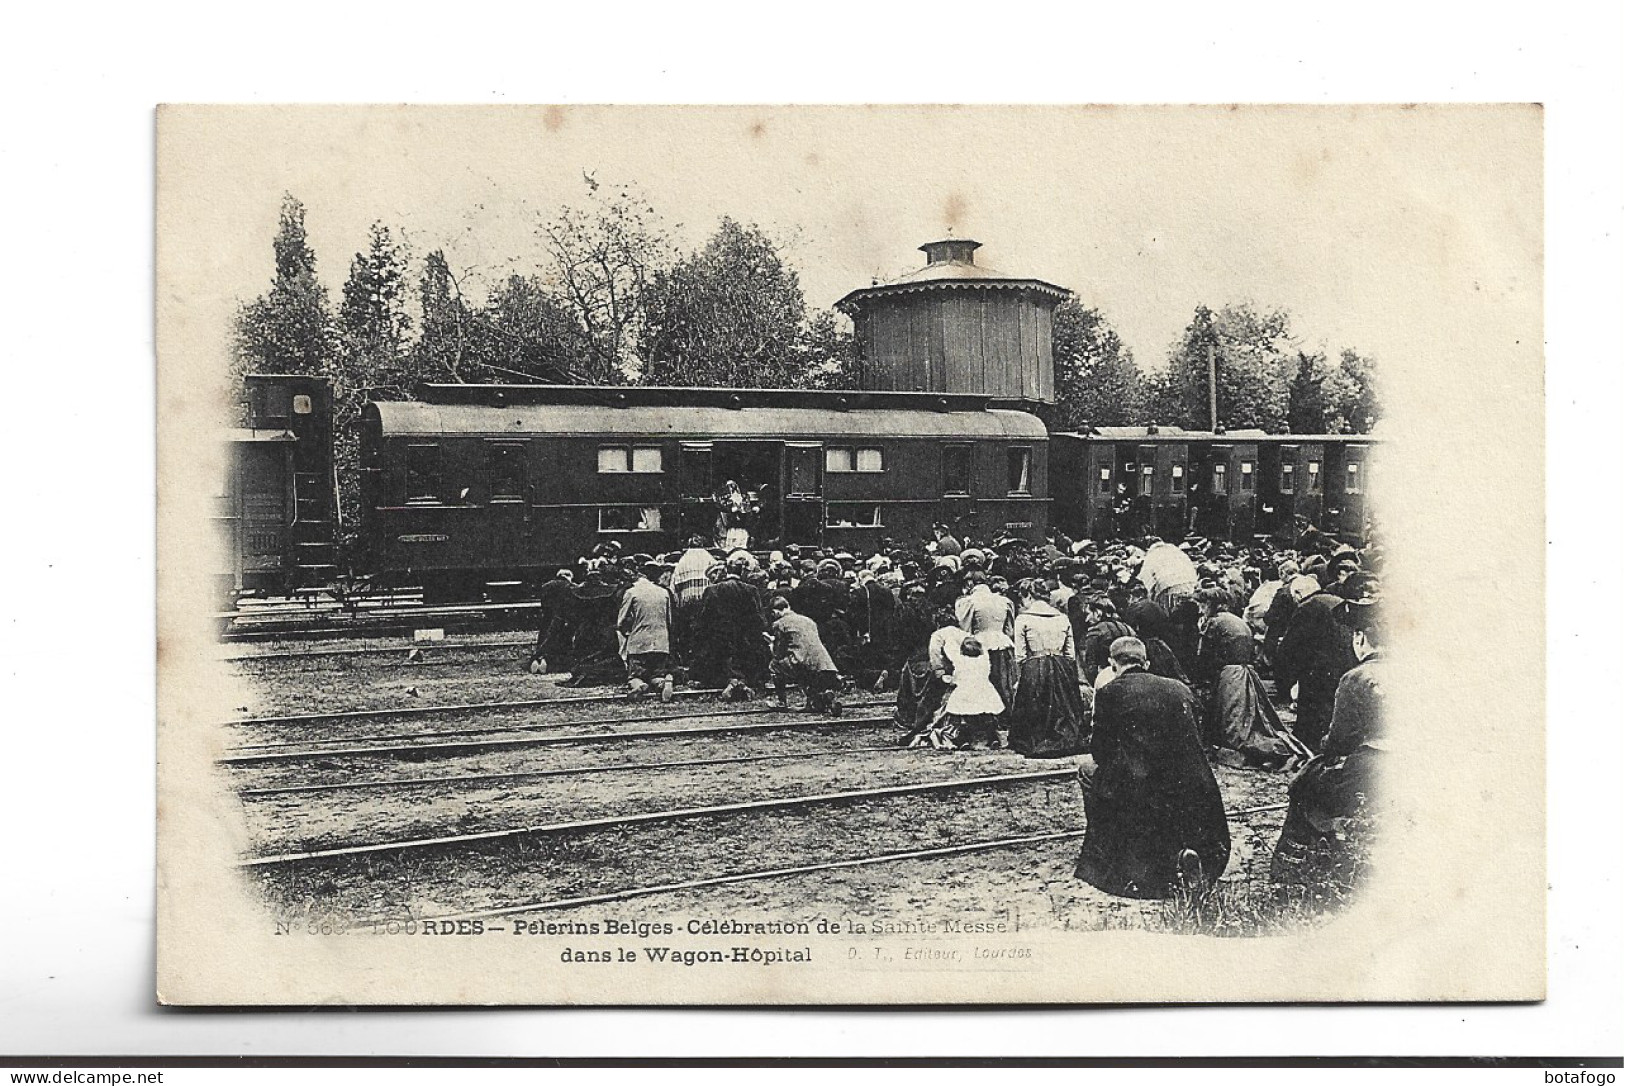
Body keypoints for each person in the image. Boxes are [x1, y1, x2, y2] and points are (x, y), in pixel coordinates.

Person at [1074, 637, 1231, 899]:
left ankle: (1106, 850)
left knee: (1087, 771)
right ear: (1145, 663)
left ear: (1112, 664)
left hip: (1141, 785)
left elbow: (1100, 751)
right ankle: (1183, 855)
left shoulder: (1109, 692)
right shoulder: (1179, 688)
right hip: (1192, 782)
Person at [1270, 589, 1388, 903]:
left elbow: (1340, 741)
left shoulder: (1357, 678)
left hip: (1372, 765)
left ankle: (1295, 876)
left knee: (1304, 789)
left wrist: (1323, 749)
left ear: (1361, 639)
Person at [1195, 587, 1310, 769]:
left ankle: (1266, 751)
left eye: (1202, 605)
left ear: (1210, 605)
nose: (1200, 609)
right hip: (1246, 671)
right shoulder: (1236, 620)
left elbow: (1204, 654)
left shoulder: (1214, 622)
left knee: (1233, 724)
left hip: (1230, 674)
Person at [1273, 575, 1360, 751]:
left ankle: (1309, 750)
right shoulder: (1338, 601)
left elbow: (1290, 647)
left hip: (1318, 671)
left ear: (1298, 593)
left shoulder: (1307, 607)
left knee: (1311, 715)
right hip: (1347, 664)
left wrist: (1285, 680)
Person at [1006, 579, 1090, 758]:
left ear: (1028, 595)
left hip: (1035, 665)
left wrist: (1024, 675)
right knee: (1064, 705)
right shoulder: (1062, 617)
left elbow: (1020, 654)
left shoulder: (1024, 618)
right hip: (1061, 665)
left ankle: (1036, 738)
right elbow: (1070, 654)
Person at [692, 553, 768, 698]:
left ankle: (732, 683)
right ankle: (740, 683)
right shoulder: (751, 590)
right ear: (742, 572)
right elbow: (759, 620)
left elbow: (703, 620)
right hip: (744, 642)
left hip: (719, 643)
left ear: (726, 571)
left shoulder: (712, 590)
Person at [767, 596, 843, 716]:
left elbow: (779, 653)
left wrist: (771, 644)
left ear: (775, 612)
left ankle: (782, 702)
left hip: (802, 662)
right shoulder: (808, 620)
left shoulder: (779, 624)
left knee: (775, 665)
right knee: (805, 673)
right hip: (824, 662)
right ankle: (821, 698)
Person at [925, 636, 1004, 749]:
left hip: (965, 692)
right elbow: (985, 653)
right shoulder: (984, 661)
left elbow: (952, 654)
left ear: (962, 651)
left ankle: (964, 740)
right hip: (984, 691)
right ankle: (993, 739)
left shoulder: (960, 661)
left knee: (963, 719)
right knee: (988, 717)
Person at [955, 571, 1017, 704]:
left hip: (980, 645)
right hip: (1003, 643)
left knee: (982, 682)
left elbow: (965, 629)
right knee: (1004, 682)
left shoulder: (968, 601)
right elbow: (1010, 630)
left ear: (970, 583)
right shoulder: (1004, 601)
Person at [617, 561, 675, 701]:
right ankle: (663, 683)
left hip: (639, 643)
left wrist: (627, 633)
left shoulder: (631, 592)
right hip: (661, 643)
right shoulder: (664, 593)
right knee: (657, 674)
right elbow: (669, 621)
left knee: (635, 675)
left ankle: (639, 685)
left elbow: (621, 622)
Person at [528, 567, 575, 674]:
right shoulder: (571, 587)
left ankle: (538, 659)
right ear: (569, 577)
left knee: (544, 639)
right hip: (562, 619)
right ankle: (551, 664)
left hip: (548, 617)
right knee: (562, 642)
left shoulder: (546, 586)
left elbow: (543, 604)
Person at [715, 480, 752, 550]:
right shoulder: (724, 497)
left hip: (741, 525)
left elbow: (746, 507)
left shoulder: (743, 496)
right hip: (730, 525)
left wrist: (741, 508)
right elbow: (722, 506)